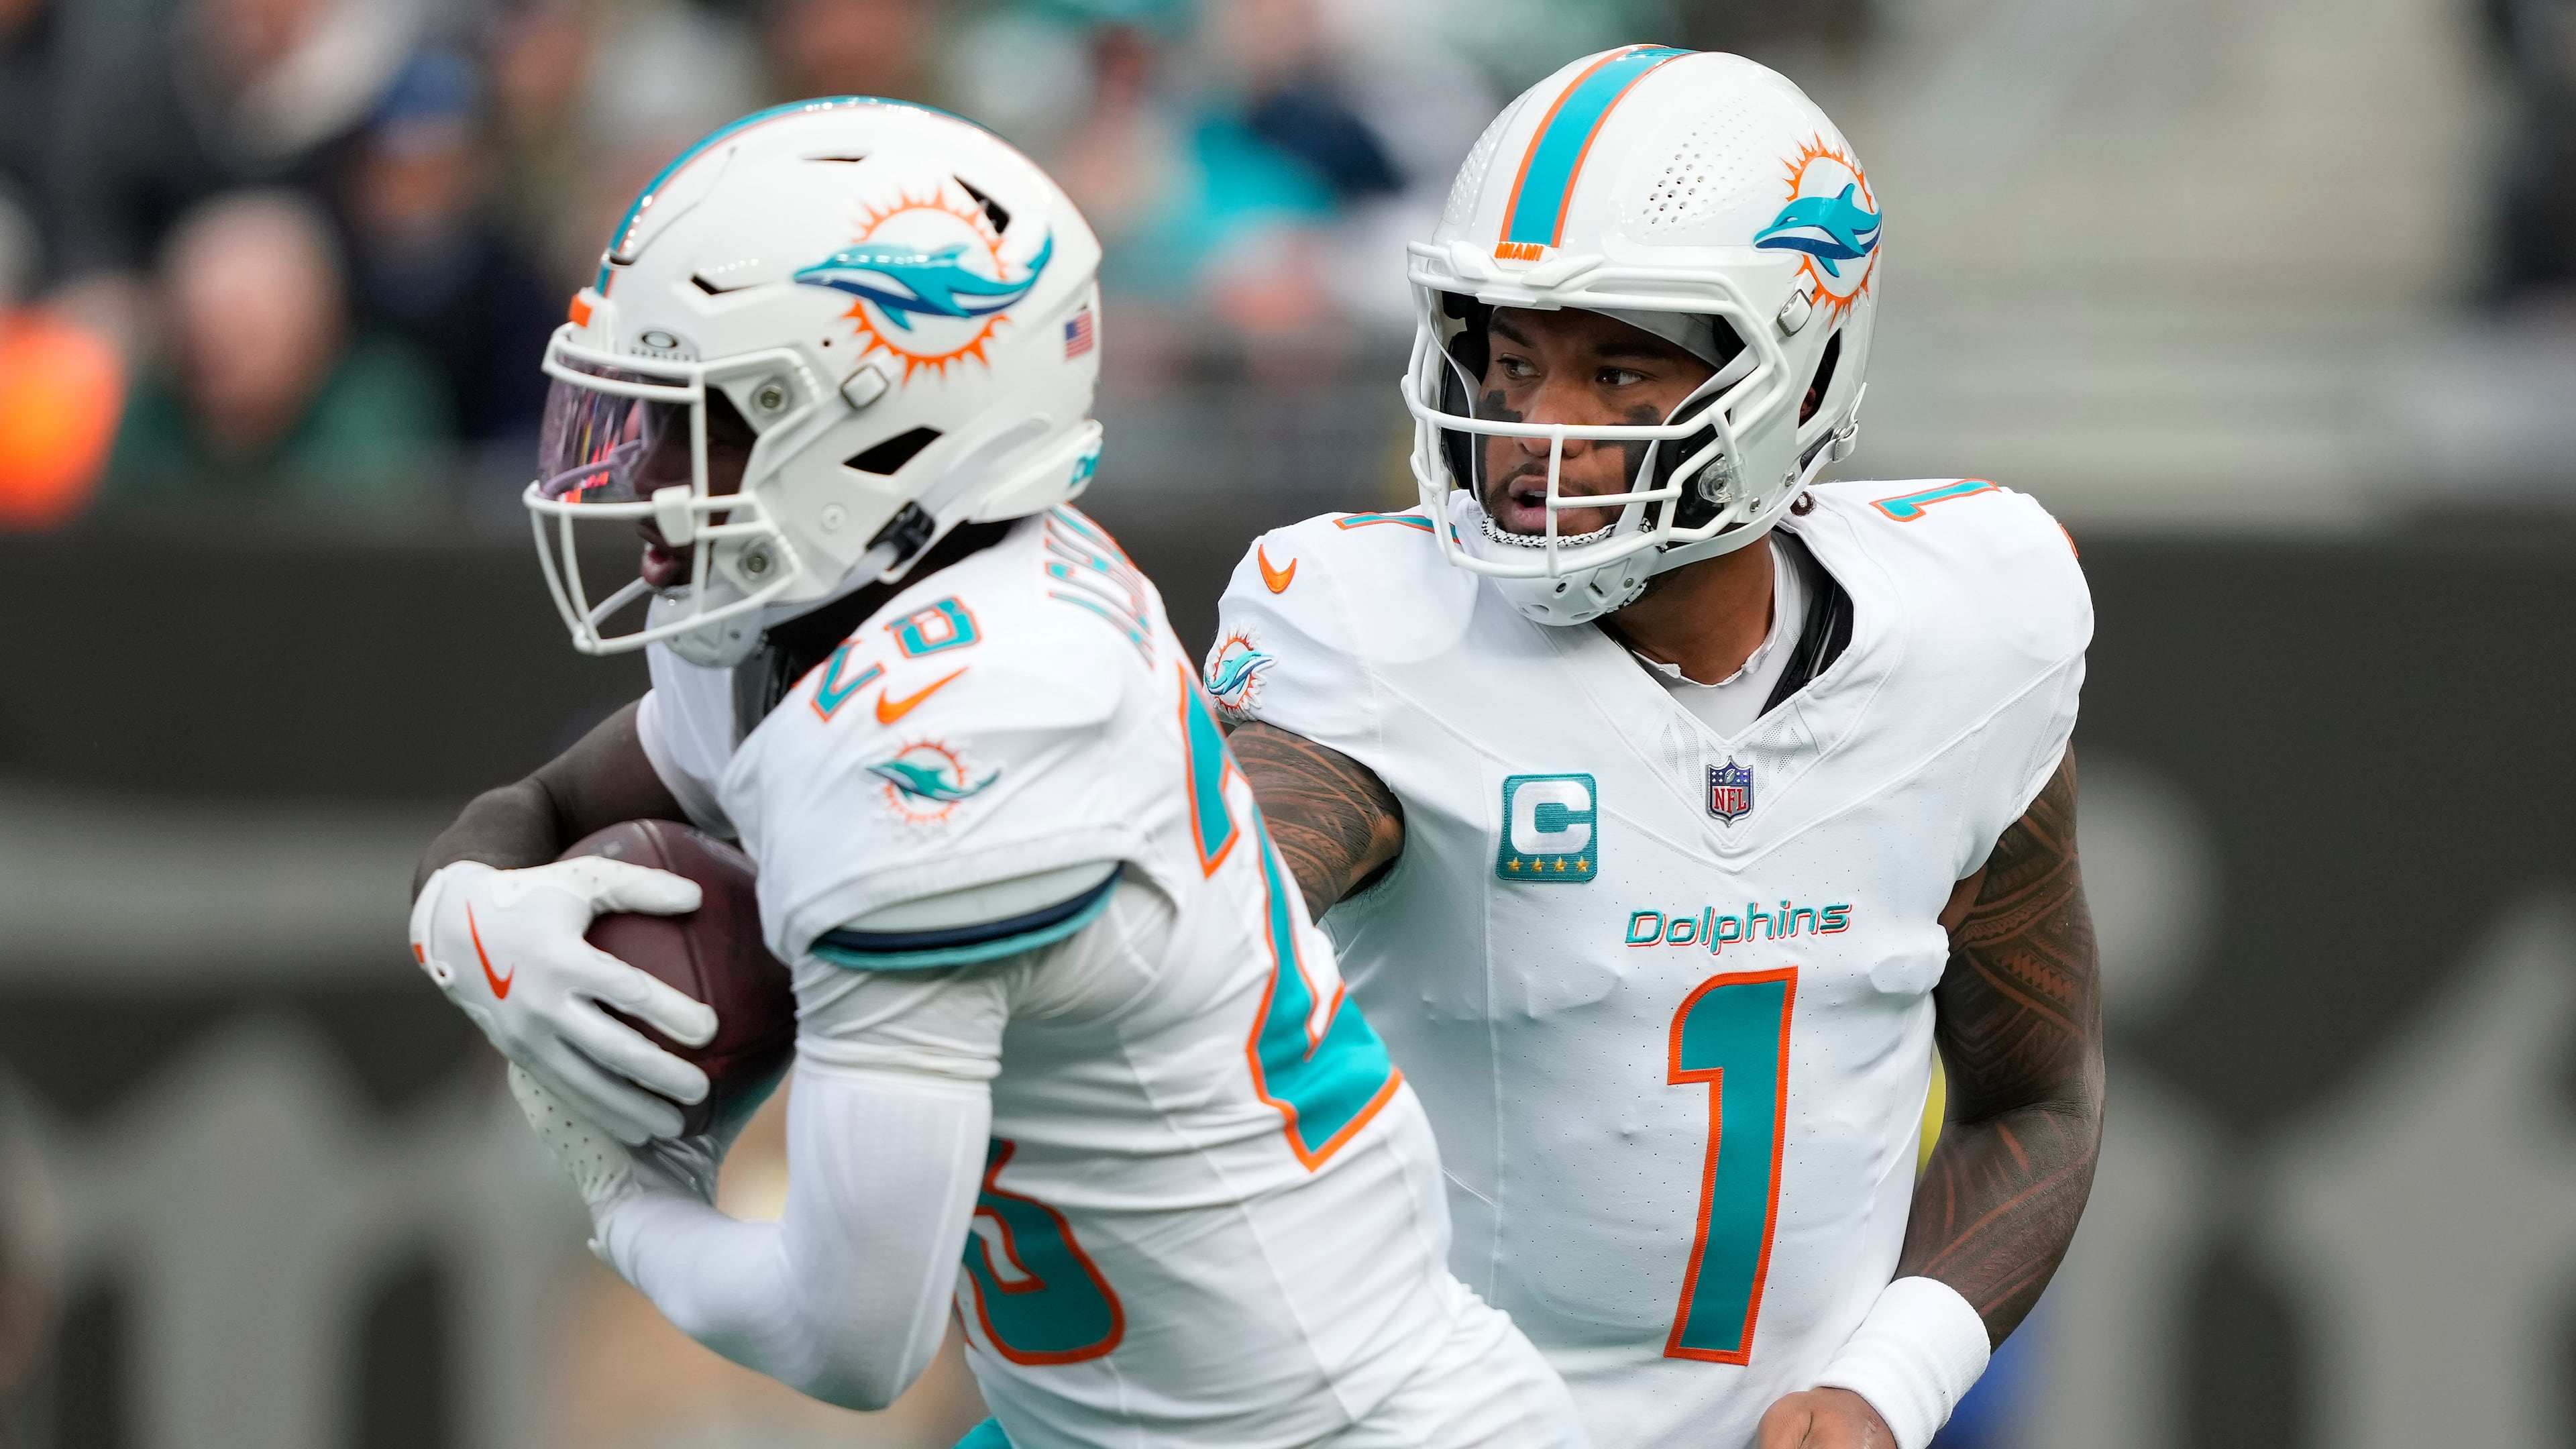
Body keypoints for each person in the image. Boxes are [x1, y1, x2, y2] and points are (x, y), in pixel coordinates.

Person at [407, 98, 1587, 1448]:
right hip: (1103, 1420)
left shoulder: (954, 744)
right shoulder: (853, 600)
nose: (653, 479)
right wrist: (462, 903)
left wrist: (628, 1203)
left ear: (893, 426)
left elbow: (846, 1338)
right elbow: (565, 802)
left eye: (715, 422)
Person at [1203, 49, 2103, 1449]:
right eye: (1509, 360)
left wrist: (1888, 1383)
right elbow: (1178, 940)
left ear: (1795, 375)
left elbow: (2036, 1097)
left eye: (1617, 367)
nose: (1531, 433)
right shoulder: (1369, 643)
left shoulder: (1977, 629)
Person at [101, 190, 451, 511]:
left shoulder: (379, 399)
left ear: (319, 321)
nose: (218, 351)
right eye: (198, 326)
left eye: (247, 329)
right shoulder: (144, 416)